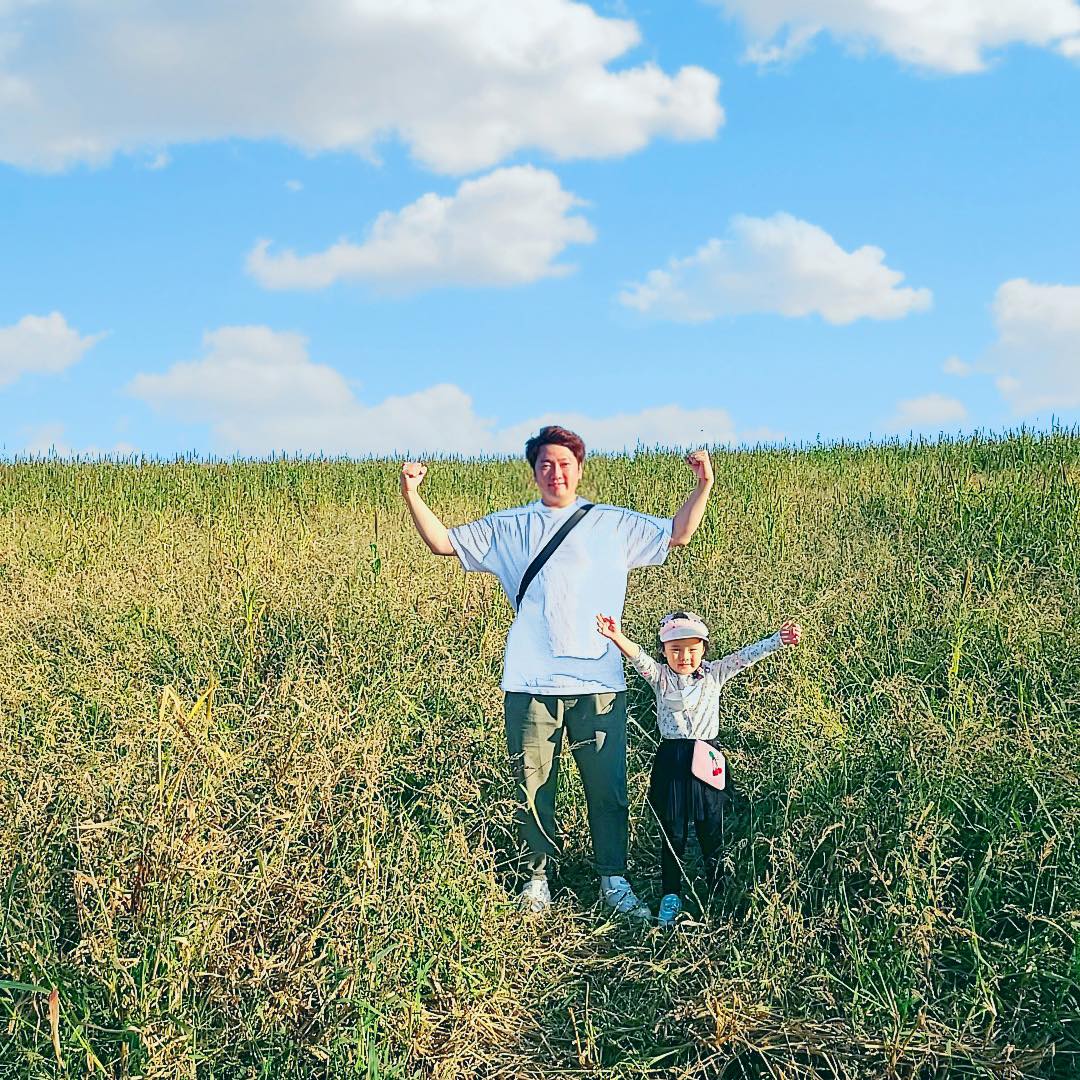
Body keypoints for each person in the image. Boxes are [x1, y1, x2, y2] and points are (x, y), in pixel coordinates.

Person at [399, 426, 714, 918]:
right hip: (530, 684)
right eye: (545, 464)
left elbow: (677, 533)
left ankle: (614, 878)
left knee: (607, 788)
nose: (556, 472)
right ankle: (537, 879)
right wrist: (411, 492)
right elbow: (443, 543)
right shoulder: (512, 527)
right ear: (533, 472)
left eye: (565, 463)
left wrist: (702, 485)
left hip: (600, 687)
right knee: (532, 786)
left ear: (580, 468)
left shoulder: (611, 524)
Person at [595, 609, 802, 926]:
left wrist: (779, 640)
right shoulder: (660, 677)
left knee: (711, 828)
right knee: (673, 829)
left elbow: (745, 657)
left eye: (692, 649)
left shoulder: (714, 674)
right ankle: (671, 895)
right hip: (672, 760)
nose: (684, 656)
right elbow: (638, 658)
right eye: (675, 649)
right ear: (663, 650)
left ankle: (718, 890)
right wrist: (615, 636)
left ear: (704, 648)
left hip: (707, 757)